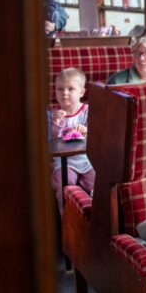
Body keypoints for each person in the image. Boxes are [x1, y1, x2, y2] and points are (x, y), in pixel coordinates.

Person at [50, 67, 94, 215]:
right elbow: (52, 139)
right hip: (65, 162)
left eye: (70, 89)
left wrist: (87, 130)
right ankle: (66, 217)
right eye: (60, 89)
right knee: (64, 184)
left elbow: (98, 134)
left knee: (96, 185)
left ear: (81, 92)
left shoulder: (87, 111)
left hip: (87, 160)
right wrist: (56, 123)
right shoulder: (53, 113)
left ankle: (92, 216)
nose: (65, 93)